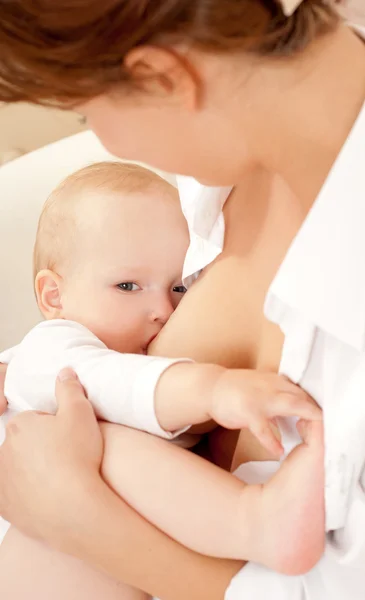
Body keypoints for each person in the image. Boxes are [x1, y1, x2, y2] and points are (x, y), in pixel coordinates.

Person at [0, 1, 365, 599]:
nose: (99, 136)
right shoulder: (205, 184)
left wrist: (82, 521)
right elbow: (80, 350)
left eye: (86, 110)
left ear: (162, 77)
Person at [0, 160, 323, 576]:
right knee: (109, 442)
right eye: (128, 286)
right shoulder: (50, 352)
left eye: (179, 286)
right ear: (54, 296)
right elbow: (120, 385)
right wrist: (213, 389)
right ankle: (253, 521)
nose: (162, 310)